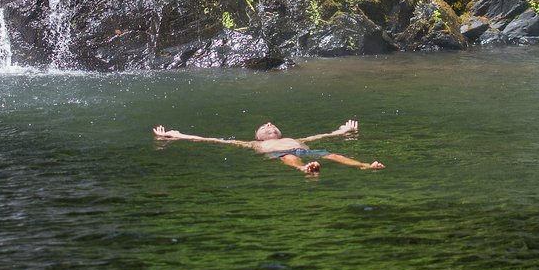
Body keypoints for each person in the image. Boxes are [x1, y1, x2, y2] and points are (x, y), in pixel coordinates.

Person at [151, 119, 384, 174]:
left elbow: (323, 135)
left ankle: (365, 165)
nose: (270, 124)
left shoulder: (297, 138)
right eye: (265, 126)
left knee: (333, 154)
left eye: (273, 124)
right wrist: (178, 135)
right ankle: (304, 170)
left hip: (305, 150)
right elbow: (210, 140)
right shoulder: (252, 143)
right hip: (281, 154)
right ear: (259, 137)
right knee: (288, 158)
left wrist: (344, 131)